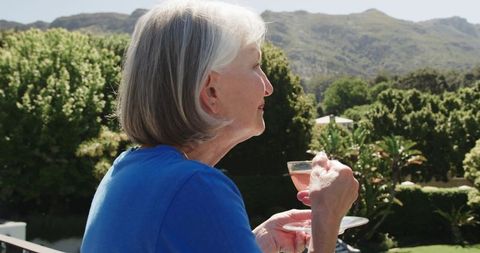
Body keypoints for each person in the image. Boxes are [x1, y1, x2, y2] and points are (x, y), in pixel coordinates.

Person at [81, 0, 359, 252]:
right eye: (255, 65)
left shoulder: (127, 170)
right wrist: (326, 220)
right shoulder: (195, 187)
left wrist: (249, 243)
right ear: (211, 91)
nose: (268, 87)